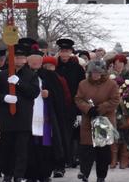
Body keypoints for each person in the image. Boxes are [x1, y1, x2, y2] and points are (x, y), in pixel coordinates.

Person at [0, 40, 40, 182]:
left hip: (23, 119)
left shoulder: (31, 75)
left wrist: (19, 82)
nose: (20, 60)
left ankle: (18, 175)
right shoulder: (2, 75)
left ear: (26, 60)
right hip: (7, 118)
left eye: (22, 58)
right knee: (6, 149)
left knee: (21, 151)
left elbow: (34, 92)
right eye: (17, 57)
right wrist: (4, 97)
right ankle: (7, 174)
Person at [75, 60, 120, 182]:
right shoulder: (83, 84)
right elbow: (78, 99)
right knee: (86, 149)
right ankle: (84, 173)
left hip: (104, 121)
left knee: (102, 151)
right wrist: (88, 109)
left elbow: (115, 100)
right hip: (88, 120)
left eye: (98, 72)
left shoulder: (111, 84)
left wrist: (101, 108)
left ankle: (101, 176)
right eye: (93, 72)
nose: (95, 75)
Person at [54, 38, 86, 177]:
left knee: (67, 137)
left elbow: (81, 90)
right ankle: (58, 165)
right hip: (56, 106)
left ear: (71, 52)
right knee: (57, 136)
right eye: (62, 51)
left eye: (67, 51)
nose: (64, 54)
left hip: (71, 107)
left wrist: (79, 111)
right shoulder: (54, 66)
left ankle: (66, 161)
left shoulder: (77, 68)